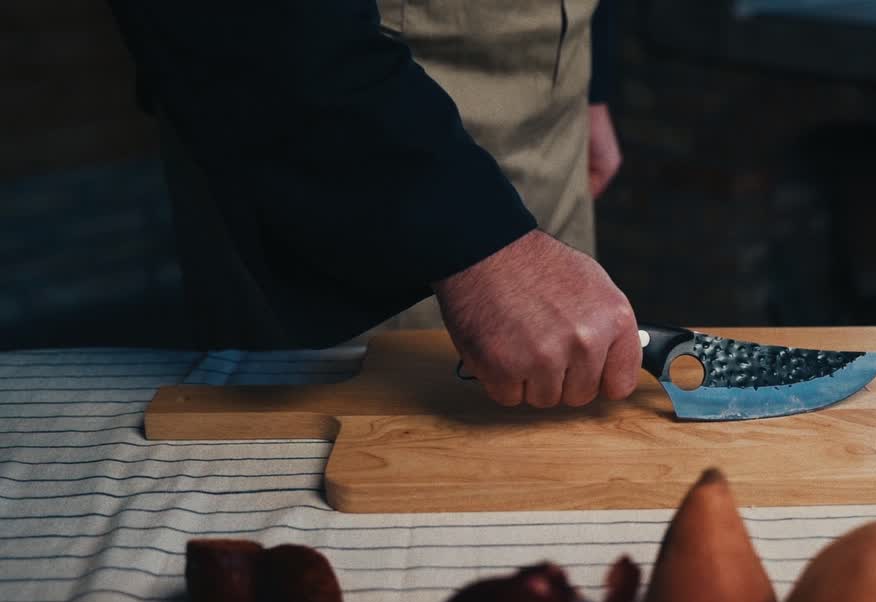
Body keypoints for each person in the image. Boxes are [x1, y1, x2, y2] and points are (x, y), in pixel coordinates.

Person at [105, 0, 640, 410]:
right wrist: (471, 234)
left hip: (554, 98)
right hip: (352, 125)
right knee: (383, 439)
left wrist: (589, 78)